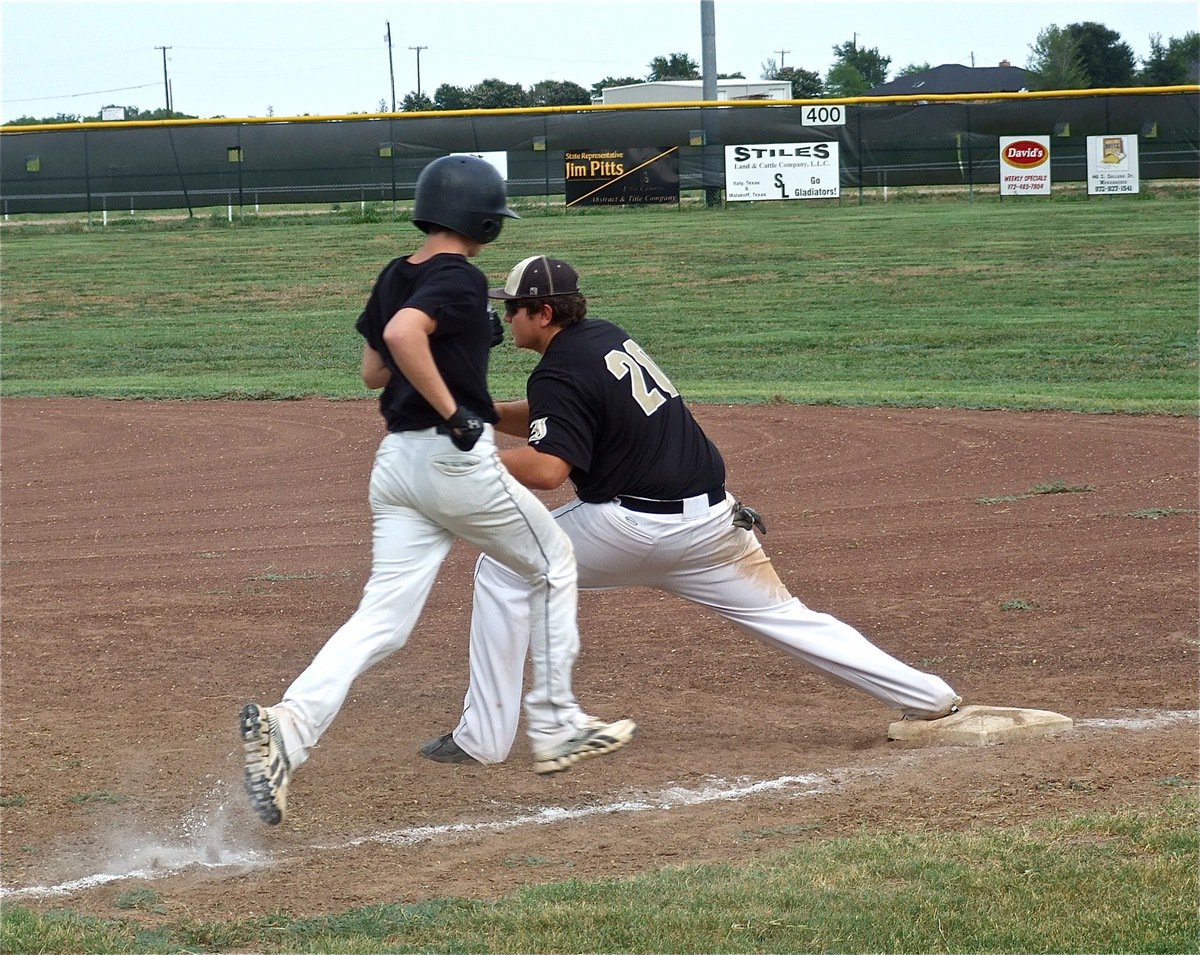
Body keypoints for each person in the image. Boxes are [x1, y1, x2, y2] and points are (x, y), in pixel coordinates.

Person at [417, 255, 961, 768]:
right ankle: (930, 695)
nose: (507, 316)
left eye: (513, 307)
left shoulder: (558, 371)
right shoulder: (604, 338)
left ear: (544, 313)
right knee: (790, 619)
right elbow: (566, 412)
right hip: (713, 528)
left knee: (503, 566)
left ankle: (481, 740)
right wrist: (485, 415)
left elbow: (548, 469)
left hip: (632, 528)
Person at [239, 163, 636, 826]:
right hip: (453, 461)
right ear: (478, 218)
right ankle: (559, 722)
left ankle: (289, 726)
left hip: (397, 466)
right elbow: (399, 339)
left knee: (382, 622)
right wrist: (455, 408)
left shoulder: (398, 272)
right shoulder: (458, 275)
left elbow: (373, 371)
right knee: (555, 560)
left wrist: (446, 350)